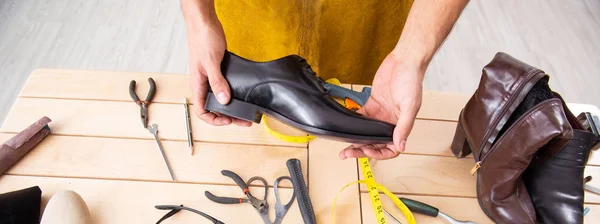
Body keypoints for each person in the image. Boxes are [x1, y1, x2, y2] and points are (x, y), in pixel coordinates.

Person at [182, 0, 469, 160]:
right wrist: (200, 21)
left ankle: (292, 90)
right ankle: (267, 83)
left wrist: (409, 56)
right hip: (257, 14)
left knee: (362, 82)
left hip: (367, 12)